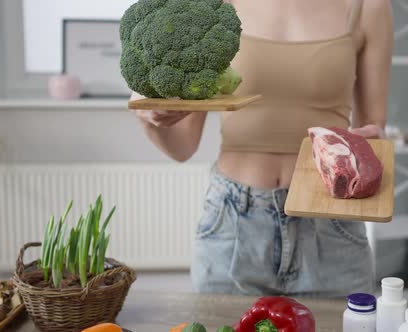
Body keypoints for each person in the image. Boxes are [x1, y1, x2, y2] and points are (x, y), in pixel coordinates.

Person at [130, 0, 393, 297]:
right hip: (232, 221)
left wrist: (371, 141)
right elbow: (183, 147)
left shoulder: (369, 7)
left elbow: (374, 125)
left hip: (331, 226)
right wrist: (150, 119)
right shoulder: (212, 8)